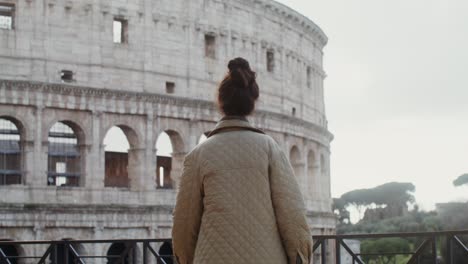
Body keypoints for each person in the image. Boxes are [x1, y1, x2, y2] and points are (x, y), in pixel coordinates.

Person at [172, 57, 312, 264]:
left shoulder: (197, 155)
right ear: (252, 103)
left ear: (221, 102)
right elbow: (292, 215)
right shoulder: (270, 148)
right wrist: (300, 256)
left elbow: (184, 225)